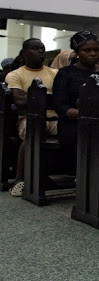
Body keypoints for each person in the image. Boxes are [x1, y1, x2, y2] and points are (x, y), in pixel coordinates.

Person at [4, 38, 58, 196]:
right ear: (23, 54)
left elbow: (62, 98)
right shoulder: (15, 74)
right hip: (29, 118)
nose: (41, 51)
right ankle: (20, 179)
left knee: (81, 132)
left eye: (42, 48)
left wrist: (35, 97)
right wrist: (48, 98)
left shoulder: (54, 73)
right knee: (32, 134)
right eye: (35, 48)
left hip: (54, 118)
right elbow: (20, 100)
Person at [52, 32, 99, 158]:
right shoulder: (66, 73)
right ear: (77, 52)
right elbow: (60, 106)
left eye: (96, 50)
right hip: (73, 123)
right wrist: (83, 113)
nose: (93, 54)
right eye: (87, 50)